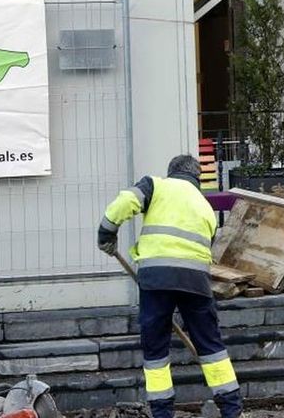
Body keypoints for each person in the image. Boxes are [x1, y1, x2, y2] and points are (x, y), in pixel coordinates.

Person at [97, 155, 244, 418]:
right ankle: (232, 409)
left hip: (157, 280)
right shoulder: (205, 206)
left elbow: (125, 202)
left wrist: (107, 232)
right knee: (211, 346)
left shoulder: (155, 186)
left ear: (171, 172)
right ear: (196, 178)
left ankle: (162, 412)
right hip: (196, 281)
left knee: (156, 350)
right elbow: (207, 244)